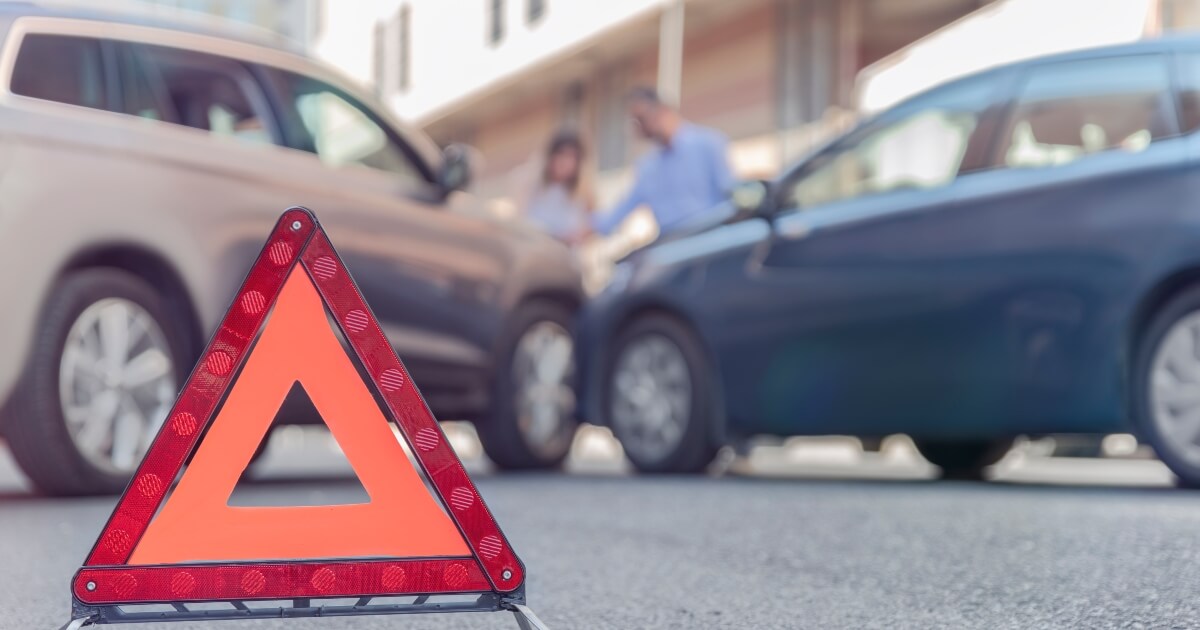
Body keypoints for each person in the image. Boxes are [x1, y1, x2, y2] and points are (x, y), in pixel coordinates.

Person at [593, 86, 735, 238]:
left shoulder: (709, 144)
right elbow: (616, 215)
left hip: (713, 242)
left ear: (663, 111)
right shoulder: (647, 168)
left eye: (641, 118)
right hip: (670, 251)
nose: (638, 128)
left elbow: (732, 196)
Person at [524, 129, 592, 246]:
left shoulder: (582, 193)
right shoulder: (531, 185)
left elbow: (592, 225)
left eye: (572, 157)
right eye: (561, 154)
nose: (566, 162)